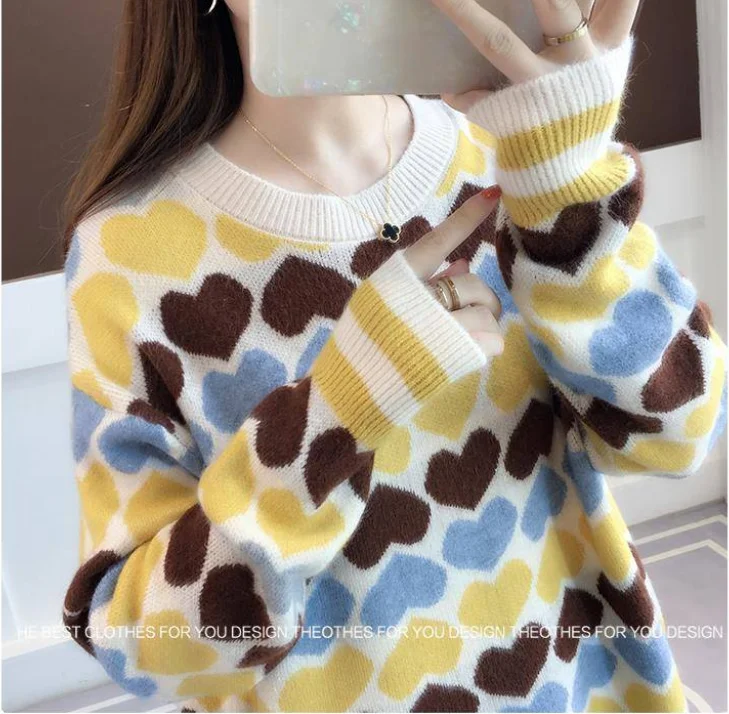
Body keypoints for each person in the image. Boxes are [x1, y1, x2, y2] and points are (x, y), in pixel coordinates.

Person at [61, 0, 727, 711]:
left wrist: (569, 189)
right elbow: (144, 651)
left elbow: (682, 436)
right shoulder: (128, 257)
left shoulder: (509, 149)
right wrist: (333, 414)